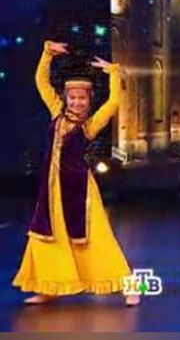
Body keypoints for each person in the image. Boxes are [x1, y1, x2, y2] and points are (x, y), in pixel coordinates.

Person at [12, 40, 139, 306]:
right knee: (47, 238)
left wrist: (113, 73)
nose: (77, 102)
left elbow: (113, 103)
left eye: (82, 99)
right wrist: (47, 53)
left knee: (98, 239)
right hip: (52, 190)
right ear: (65, 98)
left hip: (80, 190)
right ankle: (50, 287)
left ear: (88, 101)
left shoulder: (89, 125)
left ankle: (130, 286)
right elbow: (41, 82)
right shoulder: (56, 113)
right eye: (73, 98)